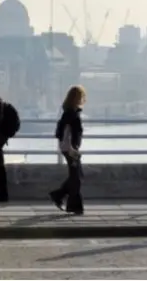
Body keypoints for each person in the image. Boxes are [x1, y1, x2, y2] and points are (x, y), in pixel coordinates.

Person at [49, 85, 86, 215]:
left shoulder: (70, 112)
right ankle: (72, 204)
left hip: (69, 147)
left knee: (76, 176)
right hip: (69, 148)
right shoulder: (70, 113)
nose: (83, 99)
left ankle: (60, 196)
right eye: (81, 97)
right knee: (76, 177)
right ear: (76, 98)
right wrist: (72, 148)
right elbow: (67, 133)